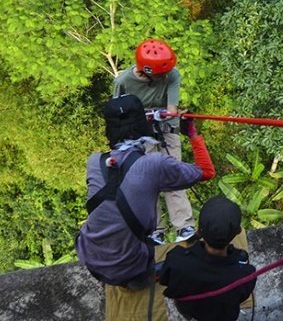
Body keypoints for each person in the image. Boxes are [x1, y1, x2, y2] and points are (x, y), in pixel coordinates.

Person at [75, 94, 215, 319]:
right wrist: (191, 132)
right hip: (129, 265)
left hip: (90, 255)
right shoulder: (154, 164)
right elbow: (207, 172)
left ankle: (125, 277)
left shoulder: (94, 161)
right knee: (144, 262)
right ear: (142, 123)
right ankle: (138, 280)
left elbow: (123, 171)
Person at [113, 39, 196, 243]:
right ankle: (154, 228)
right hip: (139, 133)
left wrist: (167, 115)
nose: (166, 76)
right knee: (147, 180)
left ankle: (184, 225)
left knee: (173, 174)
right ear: (147, 71)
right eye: (161, 74)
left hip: (167, 128)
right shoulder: (123, 81)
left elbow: (172, 109)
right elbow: (116, 112)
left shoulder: (172, 74)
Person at [159, 196, 257, 321]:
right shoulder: (245, 274)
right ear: (238, 232)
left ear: (199, 231)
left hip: (189, 312)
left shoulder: (177, 260)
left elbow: (164, 279)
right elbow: (242, 296)